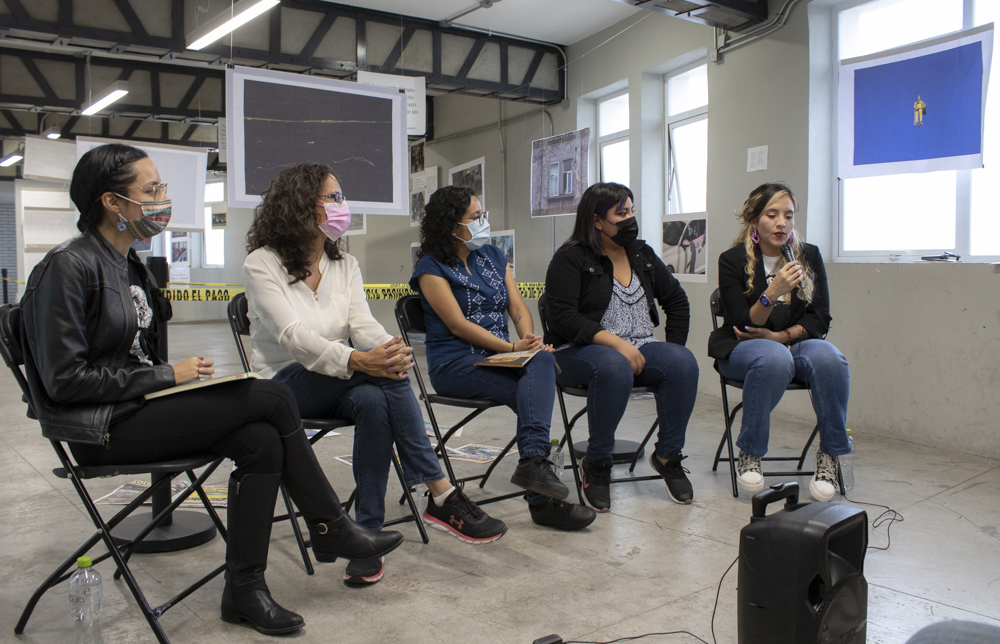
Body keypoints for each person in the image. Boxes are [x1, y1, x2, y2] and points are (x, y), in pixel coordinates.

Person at [19, 144, 402, 636]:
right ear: (112, 203)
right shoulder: (67, 267)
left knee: (261, 441)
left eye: (162, 188)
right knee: (273, 396)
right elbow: (63, 382)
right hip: (103, 428)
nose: (162, 199)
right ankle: (329, 525)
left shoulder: (130, 265)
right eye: (151, 190)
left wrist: (161, 382)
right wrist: (165, 376)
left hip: (140, 409)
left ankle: (244, 591)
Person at [243, 164, 507, 585]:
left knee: (373, 395)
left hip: (342, 379)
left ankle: (366, 528)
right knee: (379, 376)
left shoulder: (344, 263)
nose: (343, 206)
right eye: (335, 197)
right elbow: (292, 337)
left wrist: (390, 349)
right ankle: (440, 490)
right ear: (300, 204)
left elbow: (363, 325)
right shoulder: (262, 262)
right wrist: (358, 361)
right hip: (283, 383)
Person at [410, 185, 597, 532]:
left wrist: (528, 340)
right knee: (535, 393)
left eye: (483, 215)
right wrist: (513, 349)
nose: (483, 222)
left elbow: (517, 307)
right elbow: (457, 324)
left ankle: (533, 465)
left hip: (499, 358)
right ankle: (541, 498)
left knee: (541, 361)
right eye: (475, 217)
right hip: (455, 363)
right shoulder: (430, 267)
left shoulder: (493, 257)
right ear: (452, 227)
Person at [543, 182, 699, 512]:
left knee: (683, 362)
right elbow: (564, 318)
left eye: (632, 211)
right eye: (622, 213)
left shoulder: (642, 254)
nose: (630, 219)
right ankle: (597, 464)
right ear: (597, 221)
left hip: (641, 345)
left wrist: (673, 350)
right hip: (577, 351)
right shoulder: (570, 258)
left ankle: (668, 457)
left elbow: (677, 300)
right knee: (613, 365)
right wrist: (614, 343)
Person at [708, 183, 850, 501]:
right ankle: (750, 453)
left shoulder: (808, 256)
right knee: (773, 356)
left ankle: (830, 456)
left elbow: (820, 318)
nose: (781, 223)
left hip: (790, 341)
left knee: (830, 358)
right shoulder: (731, 260)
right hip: (743, 346)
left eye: (788, 215)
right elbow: (744, 323)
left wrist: (781, 336)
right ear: (754, 220)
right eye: (772, 215)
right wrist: (772, 292)